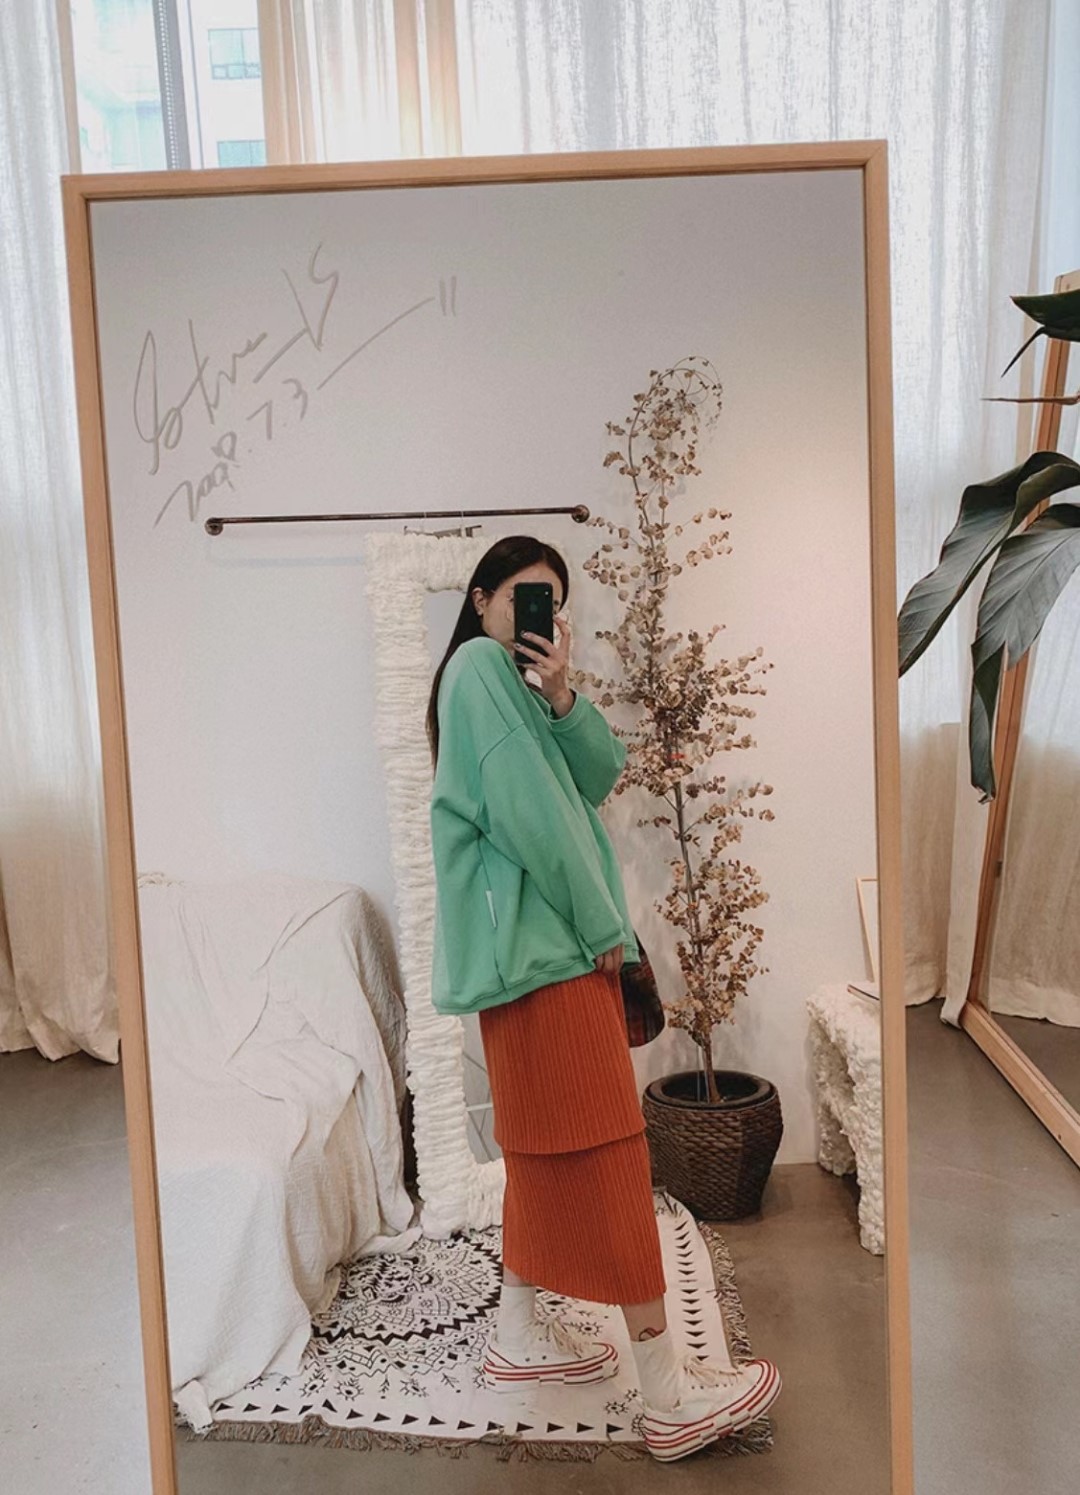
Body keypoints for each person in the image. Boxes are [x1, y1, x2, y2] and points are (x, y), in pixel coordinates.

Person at [426, 536, 780, 1462]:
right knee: (613, 1152)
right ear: (481, 598)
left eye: (553, 602)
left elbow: (597, 777)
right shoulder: (475, 670)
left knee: (543, 1148)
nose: (538, 615)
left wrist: (563, 694)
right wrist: (604, 935)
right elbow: (540, 823)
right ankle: (667, 1397)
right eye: (524, 596)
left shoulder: (517, 690)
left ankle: (517, 1334)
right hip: (550, 956)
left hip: (531, 960)